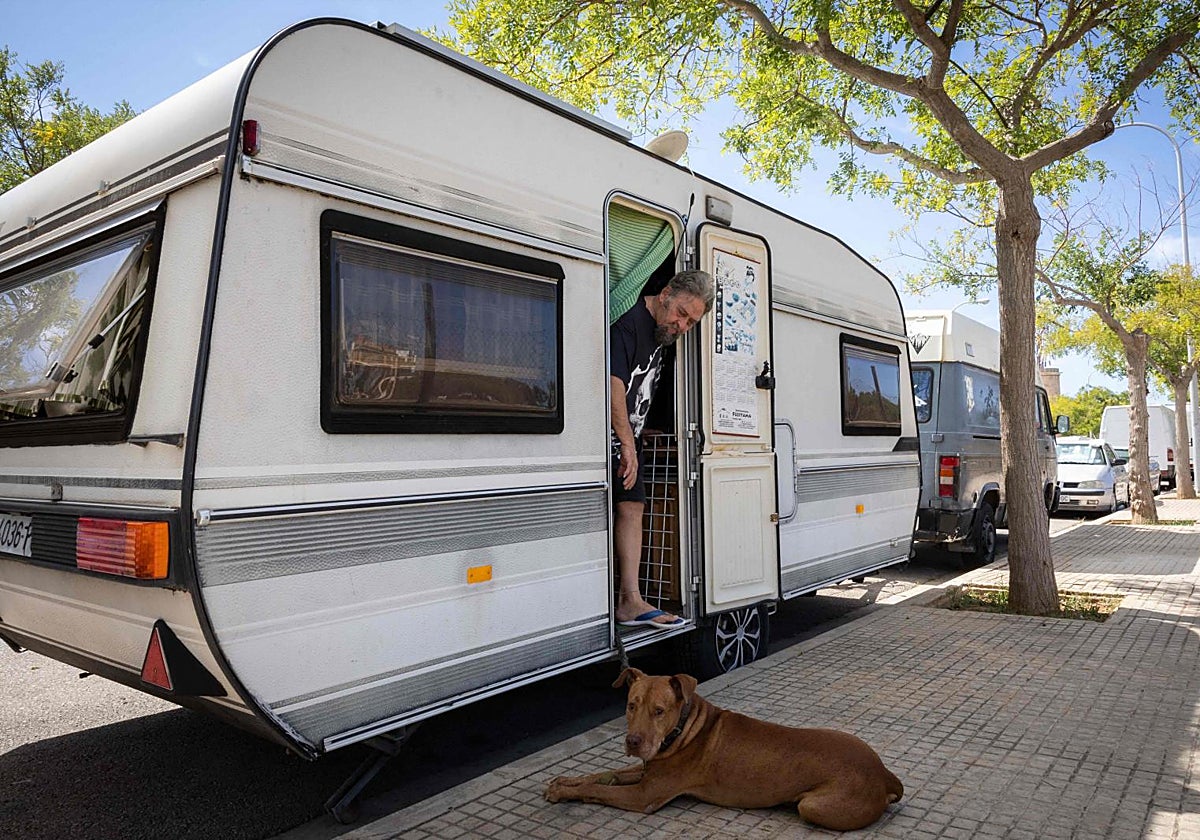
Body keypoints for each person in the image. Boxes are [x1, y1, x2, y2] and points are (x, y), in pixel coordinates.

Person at [611, 270, 715, 628]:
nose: (682, 325)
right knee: (627, 508)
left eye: (691, 321)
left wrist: (641, 430)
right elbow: (613, 384)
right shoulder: (628, 321)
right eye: (681, 313)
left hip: (628, 437)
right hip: (608, 440)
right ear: (666, 293)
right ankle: (629, 599)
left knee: (633, 507)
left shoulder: (660, 334)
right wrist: (627, 443)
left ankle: (630, 600)